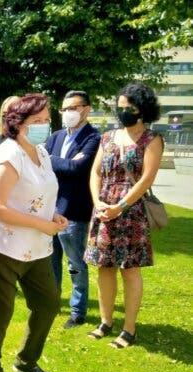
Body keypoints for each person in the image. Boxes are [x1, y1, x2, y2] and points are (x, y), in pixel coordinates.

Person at [0, 93, 66, 372]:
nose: (44, 125)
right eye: (37, 120)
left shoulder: (41, 152)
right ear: (18, 123)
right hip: (5, 249)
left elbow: (39, 194)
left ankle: (27, 361)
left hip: (37, 248)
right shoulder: (9, 154)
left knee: (49, 303)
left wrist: (51, 215)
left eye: (47, 119)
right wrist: (42, 224)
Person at [84, 83, 163, 349]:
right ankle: (105, 322)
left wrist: (120, 206)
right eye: (120, 107)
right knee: (104, 267)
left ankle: (129, 330)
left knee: (130, 270)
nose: (123, 112)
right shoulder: (107, 138)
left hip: (131, 212)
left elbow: (146, 179)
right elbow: (96, 172)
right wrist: (97, 202)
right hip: (104, 210)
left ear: (143, 109)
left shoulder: (152, 140)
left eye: (129, 107)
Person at [45, 91, 101, 328]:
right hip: (50, 210)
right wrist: (61, 162)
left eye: (73, 108)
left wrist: (50, 159)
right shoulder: (56, 136)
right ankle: (52, 303)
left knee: (75, 264)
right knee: (50, 262)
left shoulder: (94, 138)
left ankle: (78, 311)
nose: (67, 113)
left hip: (74, 211)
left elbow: (77, 168)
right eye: (64, 109)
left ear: (86, 109)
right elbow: (43, 164)